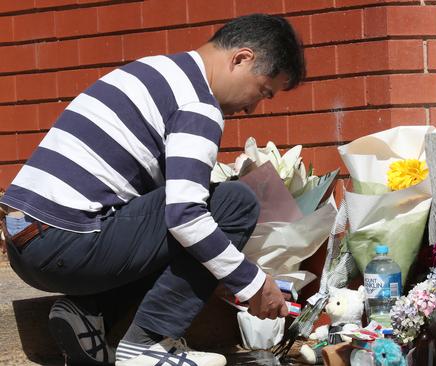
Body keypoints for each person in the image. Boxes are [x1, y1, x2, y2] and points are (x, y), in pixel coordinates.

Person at [0, 13, 306, 366]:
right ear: (241, 58)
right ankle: (148, 343)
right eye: (263, 91)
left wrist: (218, 270)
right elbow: (185, 217)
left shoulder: (153, 71)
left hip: (26, 240)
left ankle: (87, 311)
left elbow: (149, 222)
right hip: (64, 242)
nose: (252, 107)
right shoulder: (197, 103)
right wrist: (251, 282)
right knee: (233, 203)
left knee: (189, 215)